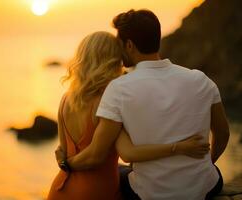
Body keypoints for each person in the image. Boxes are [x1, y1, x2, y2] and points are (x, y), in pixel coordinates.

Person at [66, 9, 230, 200]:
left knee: (119, 172)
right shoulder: (200, 79)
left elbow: (95, 155)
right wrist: (205, 164)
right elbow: (223, 133)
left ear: (129, 45)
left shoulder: (118, 89)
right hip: (204, 187)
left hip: (149, 194)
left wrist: (66, 163)